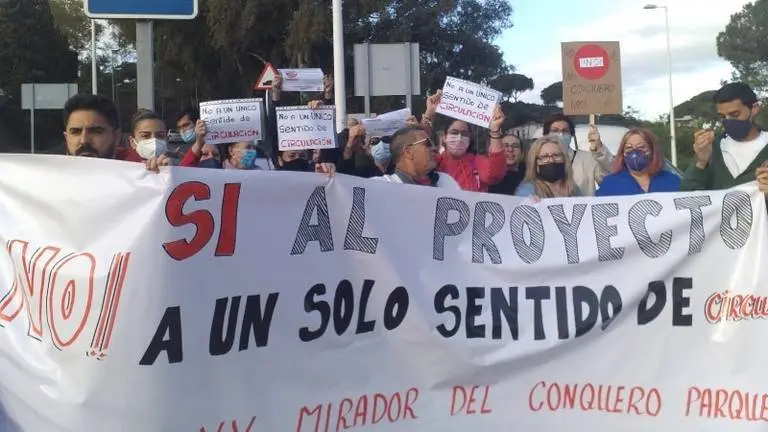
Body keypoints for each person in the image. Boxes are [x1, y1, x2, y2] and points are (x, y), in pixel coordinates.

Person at [681, 82, 768, 191]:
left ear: (754, 108)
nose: (728, 121)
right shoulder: (711, 148)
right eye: (722, 117)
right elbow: (687, 194)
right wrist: (701, 163)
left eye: (735, 115)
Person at [421, 91, 507, 191]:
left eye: (464, 134)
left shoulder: (477, 161)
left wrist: (495, 130)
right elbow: (419, 146)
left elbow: (494, 175)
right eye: (454, 132)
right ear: (444, 137)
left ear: (470, 138)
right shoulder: (435, 161)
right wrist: (429, 114)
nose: (459, 137)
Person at [63, 94, 168, 171]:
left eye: (96, 131)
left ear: (116, 137)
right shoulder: (54, 177)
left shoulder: (142, 171)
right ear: (66, 137)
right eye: (75, 132)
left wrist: (165, 176)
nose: (84, 140)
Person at [542, 113, 613, 196]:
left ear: (571, 134)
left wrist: (599, 149)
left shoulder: (587, 159)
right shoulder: (539, 161)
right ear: (546, 135)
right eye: (555, 131)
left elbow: (608, 180)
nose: (561, 134)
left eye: (565, 131)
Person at [596, 128, 680, 196]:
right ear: (622, 153)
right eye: (629, 148)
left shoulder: (672, 181)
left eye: (641, 147)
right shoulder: (610, 185)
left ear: (652, 150)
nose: (634, 152)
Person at [374, 125, 460, 189]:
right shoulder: (380, 186)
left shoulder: (446, 182)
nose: (434, 148)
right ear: (408, 152)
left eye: (433, 143)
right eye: (427, 144)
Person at [515, 136, 581, 199]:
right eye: (544, 157)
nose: (551, 160)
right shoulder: (527, 191)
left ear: (564, 158)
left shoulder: (574, 189)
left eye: (556, 155)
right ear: (535, 163)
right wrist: (527, 202)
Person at [488, 131, 525, 195]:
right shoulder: (488, 177)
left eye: (515, 146)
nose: (510, 149)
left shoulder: (529, 177)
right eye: (505, 146)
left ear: (522, 152)